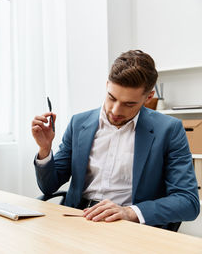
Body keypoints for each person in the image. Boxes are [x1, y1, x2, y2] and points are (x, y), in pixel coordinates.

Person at [32, 50, 200, 230]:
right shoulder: (79, 123)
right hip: (77, 219)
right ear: (107, 85)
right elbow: (49, 187)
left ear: (148, 97)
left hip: (127, 226)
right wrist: (45, 149)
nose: (116, 111)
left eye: (129, 104)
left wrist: (130, 212)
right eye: (112, 98)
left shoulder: (168, 130)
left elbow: (188, 201)